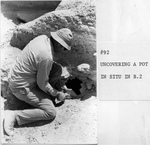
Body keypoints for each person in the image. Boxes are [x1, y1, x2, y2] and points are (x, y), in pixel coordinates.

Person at [4, 28, 73, 136]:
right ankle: (14, 116)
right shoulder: (46, 56)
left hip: (20, 75)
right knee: (50, 112)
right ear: (59, 45)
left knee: (57, 69)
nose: (63, 51)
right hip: (21, 87)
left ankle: (48, 95)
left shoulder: (42, 38)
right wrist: (56, 93)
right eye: (65, 48)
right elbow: (42, 84)